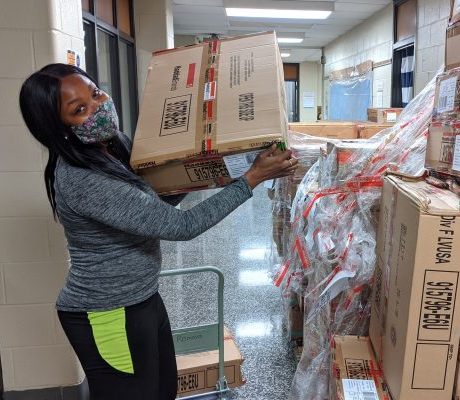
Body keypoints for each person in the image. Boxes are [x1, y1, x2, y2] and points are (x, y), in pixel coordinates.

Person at [18, 63, 298, 400]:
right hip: (108, 313)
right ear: (58, 128)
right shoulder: (82, 178)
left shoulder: (112, 146)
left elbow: (154, 199)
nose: (98, 107)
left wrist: (219, 169)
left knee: (163, 389)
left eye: (94, 94)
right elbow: (181, 226)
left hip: (143, 297)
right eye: (80, 109)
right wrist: (250, 179)